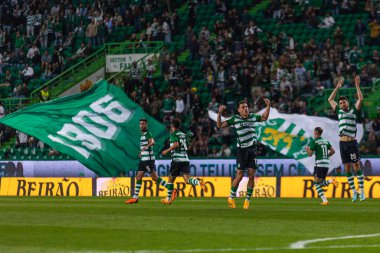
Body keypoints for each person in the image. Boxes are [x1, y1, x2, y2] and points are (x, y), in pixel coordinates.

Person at [217, 99, 271, 209]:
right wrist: (219, 113)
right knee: (240, 175)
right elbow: (220, 125)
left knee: (251, 175)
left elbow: (264, 117)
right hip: (241, 151)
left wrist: (268, 106)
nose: (245, 108)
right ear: (239, 110)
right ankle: (231, 197)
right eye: (243, 107)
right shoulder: (235, 119)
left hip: (252, 150)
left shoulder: (253, 117)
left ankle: (247, 200)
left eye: (246, 107)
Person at [328, 75, 365, 202]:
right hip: (342, 144)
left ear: (348, 103)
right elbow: (330, 99)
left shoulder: (353, 110)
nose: (343, 104)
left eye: (344, 102)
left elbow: (360, 98)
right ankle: (354, 193)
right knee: (347, 168)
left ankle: (362, 191)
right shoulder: (338, 111)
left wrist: (357, 86)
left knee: (356, 166)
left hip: (352, 143)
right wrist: (337, 88)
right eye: (341, 102)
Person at [126, 119, 176, 204]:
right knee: (138, 177)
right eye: (140, 124)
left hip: (148, 160)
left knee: (155, 178)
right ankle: (135, 198)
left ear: (146, 125)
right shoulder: (142, 135)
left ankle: (171, 188)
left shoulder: (147, 133)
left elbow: (152, 142)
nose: (141, 125)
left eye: (143, 124)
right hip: (143, 159)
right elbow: (146, 146)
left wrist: (146, 147)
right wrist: (141, 152)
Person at [161, 118, 207, 205]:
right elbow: (189, 147)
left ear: (172, 126)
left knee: (170, 179)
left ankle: (168, 199)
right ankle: (198, 182)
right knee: (187, 179)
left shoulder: (173, 134)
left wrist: (167, 151)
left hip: (177, 160)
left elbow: (176, 144)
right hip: (185, 159)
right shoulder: (184, 135)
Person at [306, 127, 338, 205]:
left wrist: (307, 149)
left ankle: (325, 200)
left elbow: (310, 154)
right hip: (326, 164)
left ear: (316, 132)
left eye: (314, 132)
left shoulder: (314, 141)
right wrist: (326, 156)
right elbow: (333, 151)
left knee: (316, 184)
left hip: (319, 164)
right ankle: (331, 181)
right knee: (320, 183)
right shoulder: (325, 141)